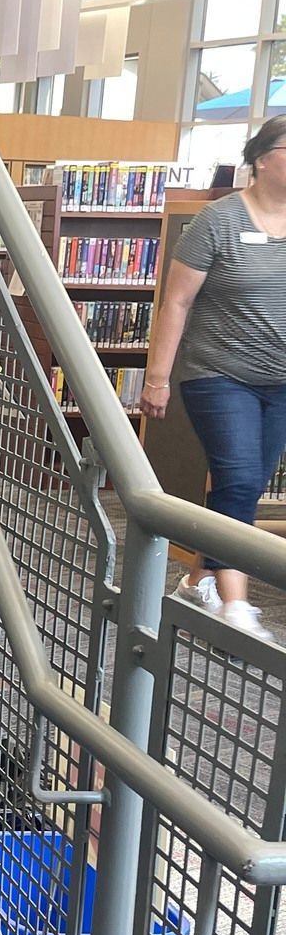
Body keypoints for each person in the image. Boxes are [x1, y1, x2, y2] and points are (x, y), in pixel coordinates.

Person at [140, 115, 286, 640]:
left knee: (242, 490)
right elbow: (176, 301)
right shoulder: (217, 222)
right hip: (219, 374)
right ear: (263, 158)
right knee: (241, 479)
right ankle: (237, 608)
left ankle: (197, 578)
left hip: (281, 382)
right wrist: (156, 378)